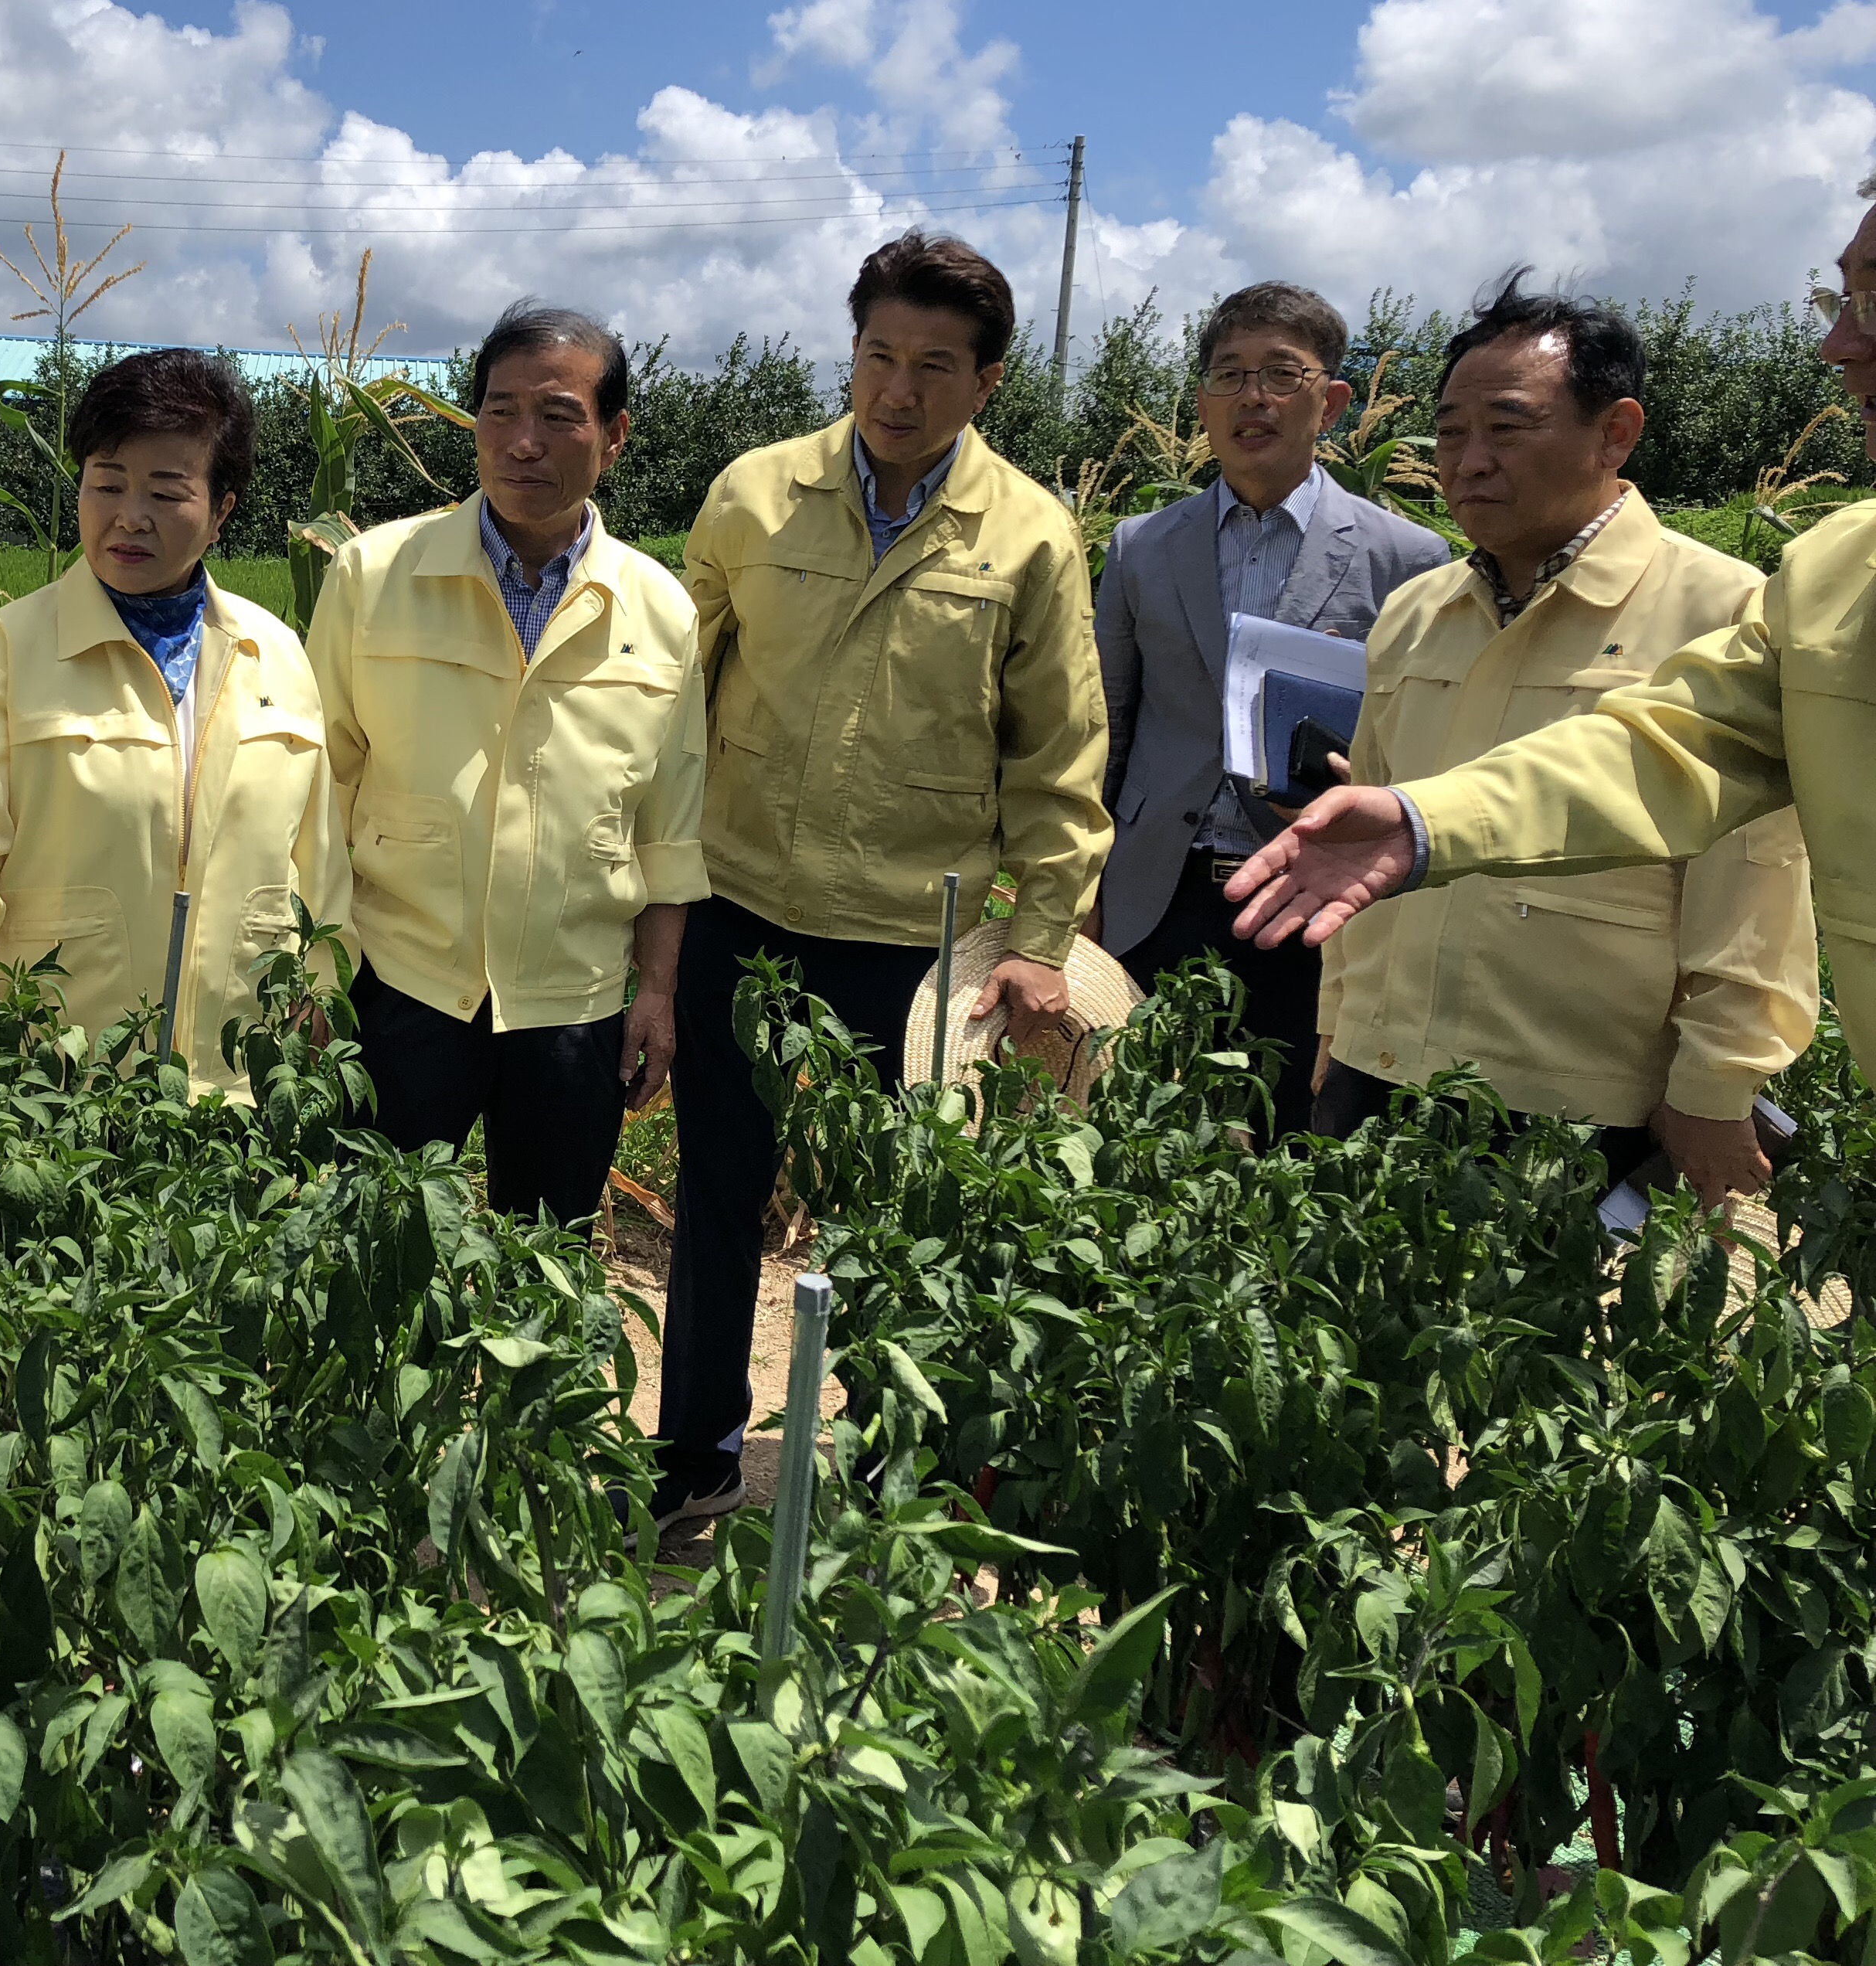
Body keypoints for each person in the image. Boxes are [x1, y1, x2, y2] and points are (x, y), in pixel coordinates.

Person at [653, 230, 1110, 1528]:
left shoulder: (1028, 533)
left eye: (932, 366)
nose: (896, 390)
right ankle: (689, 1457)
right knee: (717, 1190)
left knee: (904, 1209)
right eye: (876, 355)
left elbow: (1060, 756)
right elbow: (675, 694)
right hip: (741, 905)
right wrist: (654, 887)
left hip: (919, 933)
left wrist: (1038, 934)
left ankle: (890, 1476)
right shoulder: (754, 491)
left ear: (986, 383)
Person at [1230, 270, 1833, 1196]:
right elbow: (1359, 840)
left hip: (1582, 1098)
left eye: (1507, 429)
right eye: (1452, 432)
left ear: (1616, 434)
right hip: (1380, 1064)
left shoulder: (1723, 609)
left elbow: (1752, 887)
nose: (1469, 460)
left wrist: (1715, 1082)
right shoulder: (1418, 613)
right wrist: (1336, 1028)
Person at [304, 301, 705, 1227]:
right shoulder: (373, 576)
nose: (524, 442)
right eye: (500, 411)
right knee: (383, 1257)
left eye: (559, 415)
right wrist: (315, 972)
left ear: (614, 437)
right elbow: (318, 787)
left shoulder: (659, 609)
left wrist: (656, 993)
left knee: (549, 1262)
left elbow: (671, 827)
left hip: (577, 1000)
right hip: (403, 983)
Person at [0, 351, 348, 1090]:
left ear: (221, 510)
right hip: (47, 1073)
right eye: (106, 483)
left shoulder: (272, 653)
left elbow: (316, 852)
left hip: (235, 1071)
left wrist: (320, 987)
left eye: (166, 491)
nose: (129, 516)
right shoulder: (11, 647)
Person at [1093, 281, 1451, 1138]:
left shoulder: (1405, 557)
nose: (1253, 398)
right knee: (1134, 1137)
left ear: (1330, 401)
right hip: (1158, 896)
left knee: (1291, 1143)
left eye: (1282, 375)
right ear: (1203, 405)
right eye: (1230, 375)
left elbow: (1419, 751)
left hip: (1314, 901)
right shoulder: (1142, 547)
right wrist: (1085, 887)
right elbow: (1106, 727)